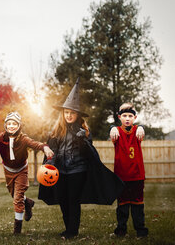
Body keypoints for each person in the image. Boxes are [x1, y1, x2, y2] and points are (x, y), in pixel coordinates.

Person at [38, 78, 124, 240]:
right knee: (63, 199)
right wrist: (49, 163)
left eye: (72, 112)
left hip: (78, 170)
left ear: (77, 114)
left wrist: (81, 140)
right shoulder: (56, 130)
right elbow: (53, 150)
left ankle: (72, 231)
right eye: (66, 112)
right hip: (60, 171)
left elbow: (88, 153)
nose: (69, 115)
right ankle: (67, 228)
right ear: (63, 113)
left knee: (73, 200)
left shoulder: (84, 130)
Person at [110, 103, 149, 238]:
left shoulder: (138, 130)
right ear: (119, 117)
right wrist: (112, 127)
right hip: (121, 176)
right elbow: (112, 132)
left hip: (137, 175)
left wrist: (141, 127)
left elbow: (141, 131)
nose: (127, 118)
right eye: (124, 115)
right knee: (122, 205)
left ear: (135, 117)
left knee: (138, 205)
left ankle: (141, 231)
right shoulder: (116, 131)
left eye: (130, 116)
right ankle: (121, 230)